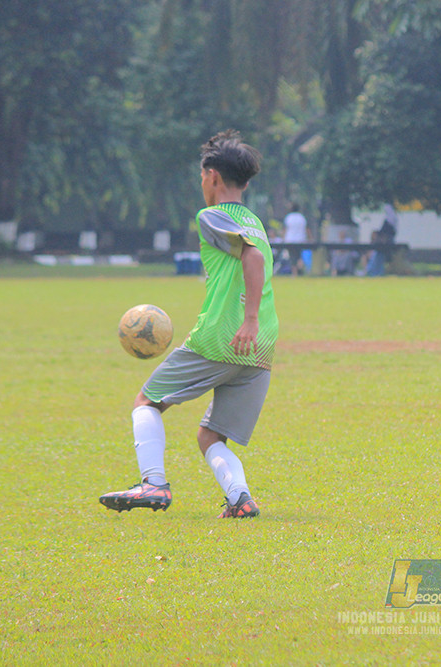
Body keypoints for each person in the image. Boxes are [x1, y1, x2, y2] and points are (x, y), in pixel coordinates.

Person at [99, 130, 279, 519]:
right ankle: (240, 499)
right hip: (260, 346)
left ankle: (153, 483)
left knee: (146, 401)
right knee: (210, 436)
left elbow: (253, 260)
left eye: (202, 177)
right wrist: (251, 326)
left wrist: (245, 321)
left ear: (212, 176)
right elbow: (252, 256)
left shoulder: (212, 215)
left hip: (225, 336)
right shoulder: (256, 222)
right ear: (245, 182)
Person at [282, 202, 309, 274]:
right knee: (299, 255)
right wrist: (310, 238)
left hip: (290, 240)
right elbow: (306, 229)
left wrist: (283, 238)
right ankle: (300, 268)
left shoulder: (288, 217)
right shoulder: (302, 218)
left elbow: (285, 229)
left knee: (292, 257)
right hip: (300, 240)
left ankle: (295, 273)